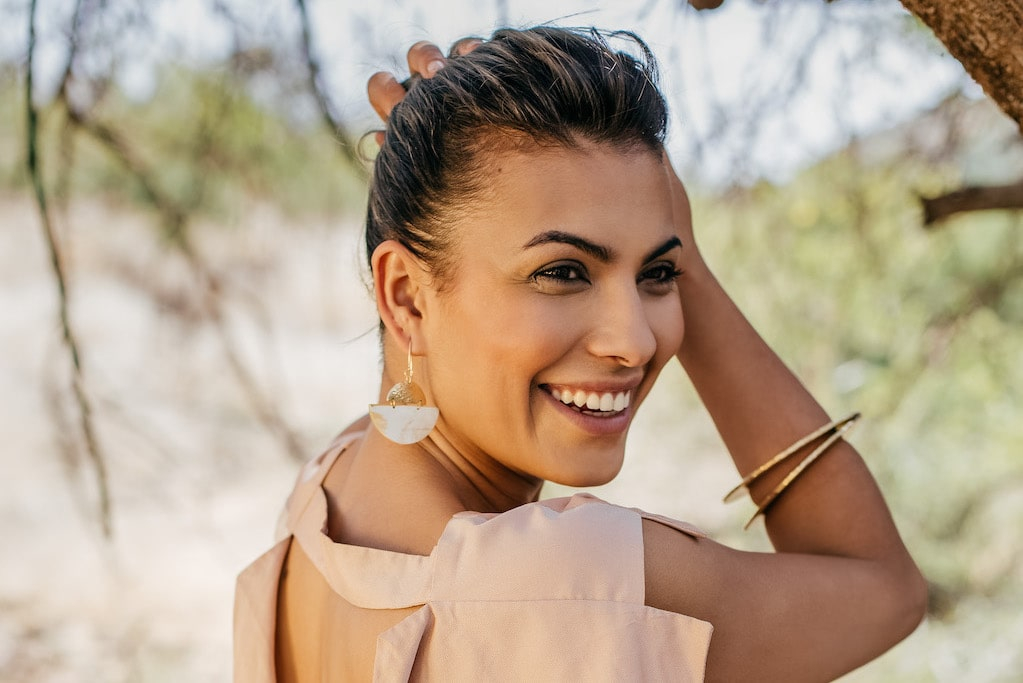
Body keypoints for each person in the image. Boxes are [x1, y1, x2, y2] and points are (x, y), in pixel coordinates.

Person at [234, 27, 927, 682]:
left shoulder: (323, 495)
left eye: (657, 274)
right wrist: (687, 253)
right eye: (562, 271)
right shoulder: (567, 585)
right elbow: (882, 586)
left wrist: (440, 152)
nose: (634, 341)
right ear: (406, 297)